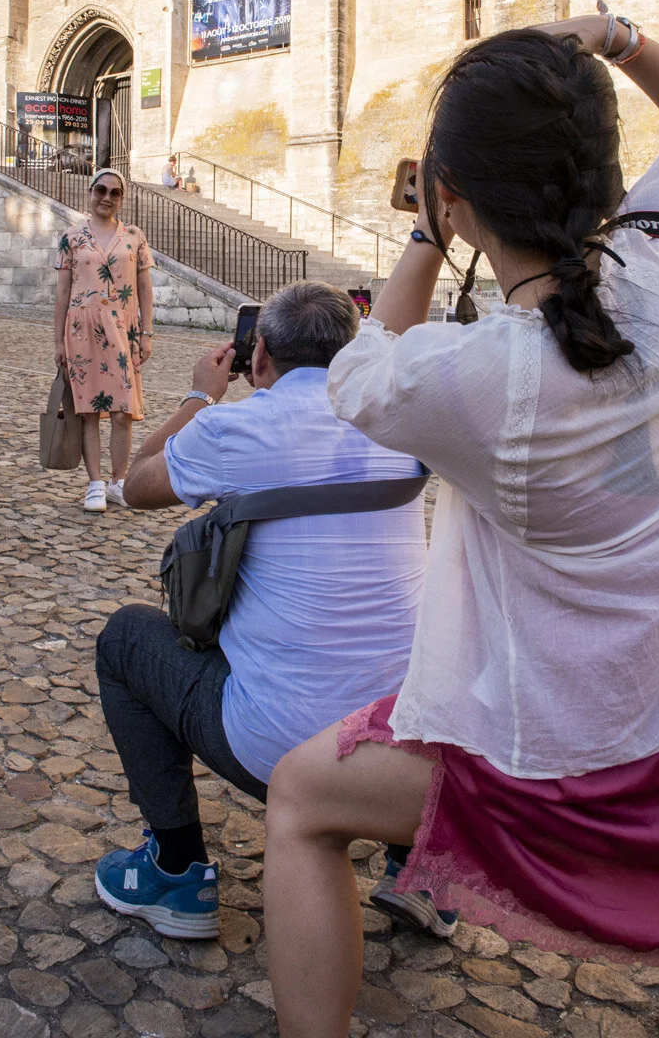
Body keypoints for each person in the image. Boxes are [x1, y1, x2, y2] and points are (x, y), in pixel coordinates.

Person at [260, 17, 659, 1038]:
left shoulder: (471, 381)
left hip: (556, 758)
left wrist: (425, 231)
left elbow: (360, 374)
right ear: (604, 175)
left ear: (456, 197)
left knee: (300, 798)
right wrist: (611, 37)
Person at [92, 281, 432, 939]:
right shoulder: (398, 419)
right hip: (407, 761)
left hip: (287, 752)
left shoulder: (235, 427)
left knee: (127, 638)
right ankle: (420, 869)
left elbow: (134, 483)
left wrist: (200, 395)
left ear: (261, 354)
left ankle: (175, 869)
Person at [53, 168, 154, 512]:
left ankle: (118, 482)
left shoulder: (135, 236)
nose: (107, 197)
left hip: (124, 332)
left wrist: (147, 333)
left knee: (123, 411)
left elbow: (144, 288)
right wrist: (57, 342)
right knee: (89, 412)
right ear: (90, 192)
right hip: (82, 331)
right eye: (101, 190)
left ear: (121, 199)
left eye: (114, 192)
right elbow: (62, 292)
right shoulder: (71, 236)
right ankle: (95, 483)